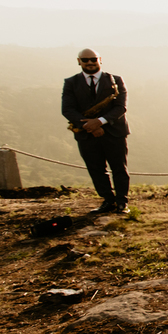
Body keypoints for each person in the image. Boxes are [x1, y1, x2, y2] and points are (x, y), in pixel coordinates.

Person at [61, 48, 130, 215]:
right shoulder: (71, 82)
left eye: (93, 59)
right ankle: (108, 200)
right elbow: (67, 109)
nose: (90, 62)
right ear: (79, 62)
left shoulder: (116, 80)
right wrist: (90, 127)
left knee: (119, 168)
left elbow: (120, 107)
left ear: (100, 60)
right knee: (96, 169)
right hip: (86, 134)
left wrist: (99, 122)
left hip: (114, 132)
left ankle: (122, 202)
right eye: (85, 60)